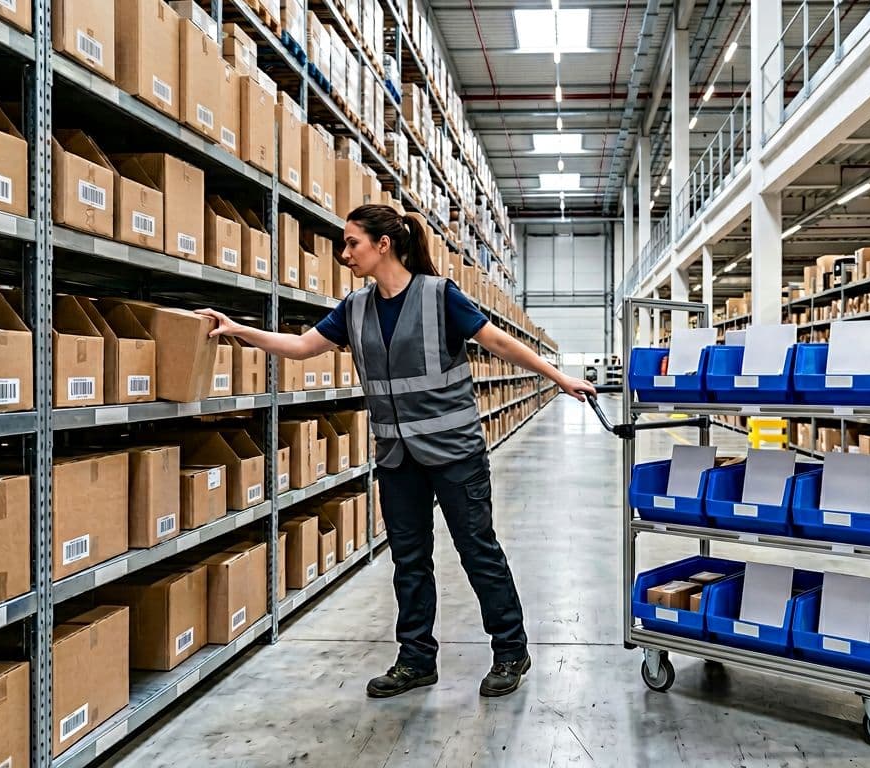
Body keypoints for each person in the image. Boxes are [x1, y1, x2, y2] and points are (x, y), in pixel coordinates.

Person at [196, 204, 597, 699]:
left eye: (352, 243)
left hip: (454, 452)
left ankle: (511, 649)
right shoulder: (355, 307)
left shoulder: (438, 295)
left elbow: (499, 343)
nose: (344, 254)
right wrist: (238, 329)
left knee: (478, 551)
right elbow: (301, 347)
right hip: (396, 457)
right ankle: (415, 660)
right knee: (409, 560)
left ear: (382, 244)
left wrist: (559, 379)